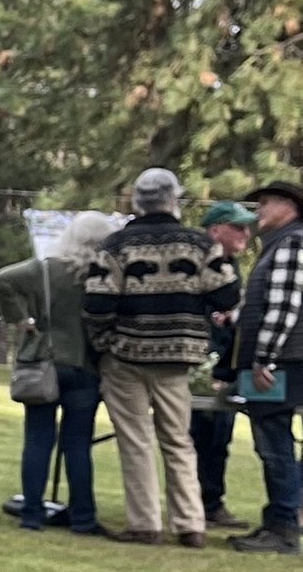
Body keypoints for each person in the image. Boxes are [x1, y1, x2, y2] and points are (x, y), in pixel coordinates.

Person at [81, 168, 237, 548]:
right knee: (178, 440)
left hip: (127, 355)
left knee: (135, 439)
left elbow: (97, 302)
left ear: (137, 201)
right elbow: (228, 296)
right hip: (178, 357)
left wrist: (104, 342)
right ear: (174, 199)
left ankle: (145, 524)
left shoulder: (115, 245)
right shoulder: (200, 245)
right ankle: (190, 524)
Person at [0, 213, 112, 537]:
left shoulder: (44, 269)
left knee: (37, 439)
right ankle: (83, 517)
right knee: (77, 444)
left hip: (44, 362)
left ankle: (31, 513)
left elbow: (1, 280)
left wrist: (20, 320)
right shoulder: (104, 276)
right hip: (85, 367)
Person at [225, 174, 303, 554]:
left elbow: (284, 308)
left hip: (281, 363)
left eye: (266, 203)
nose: (259, 210)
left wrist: (264, 359)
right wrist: (235, 315)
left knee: (274, 444)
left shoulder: (290, 243)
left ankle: (283, 527)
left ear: (289, 207)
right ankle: (283, 519)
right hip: (284, 360)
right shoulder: (280, 245)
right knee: (276, 444)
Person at [186, 200, 255, 528]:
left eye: (247, 226)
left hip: (225, 366)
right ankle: (195, 505)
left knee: (219, 438)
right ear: (215, 230)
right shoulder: (198, 265)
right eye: (238, 227)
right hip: (198, 366)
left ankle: (211, 503)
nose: (246, 233)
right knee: (198, 437)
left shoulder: (232, 268)